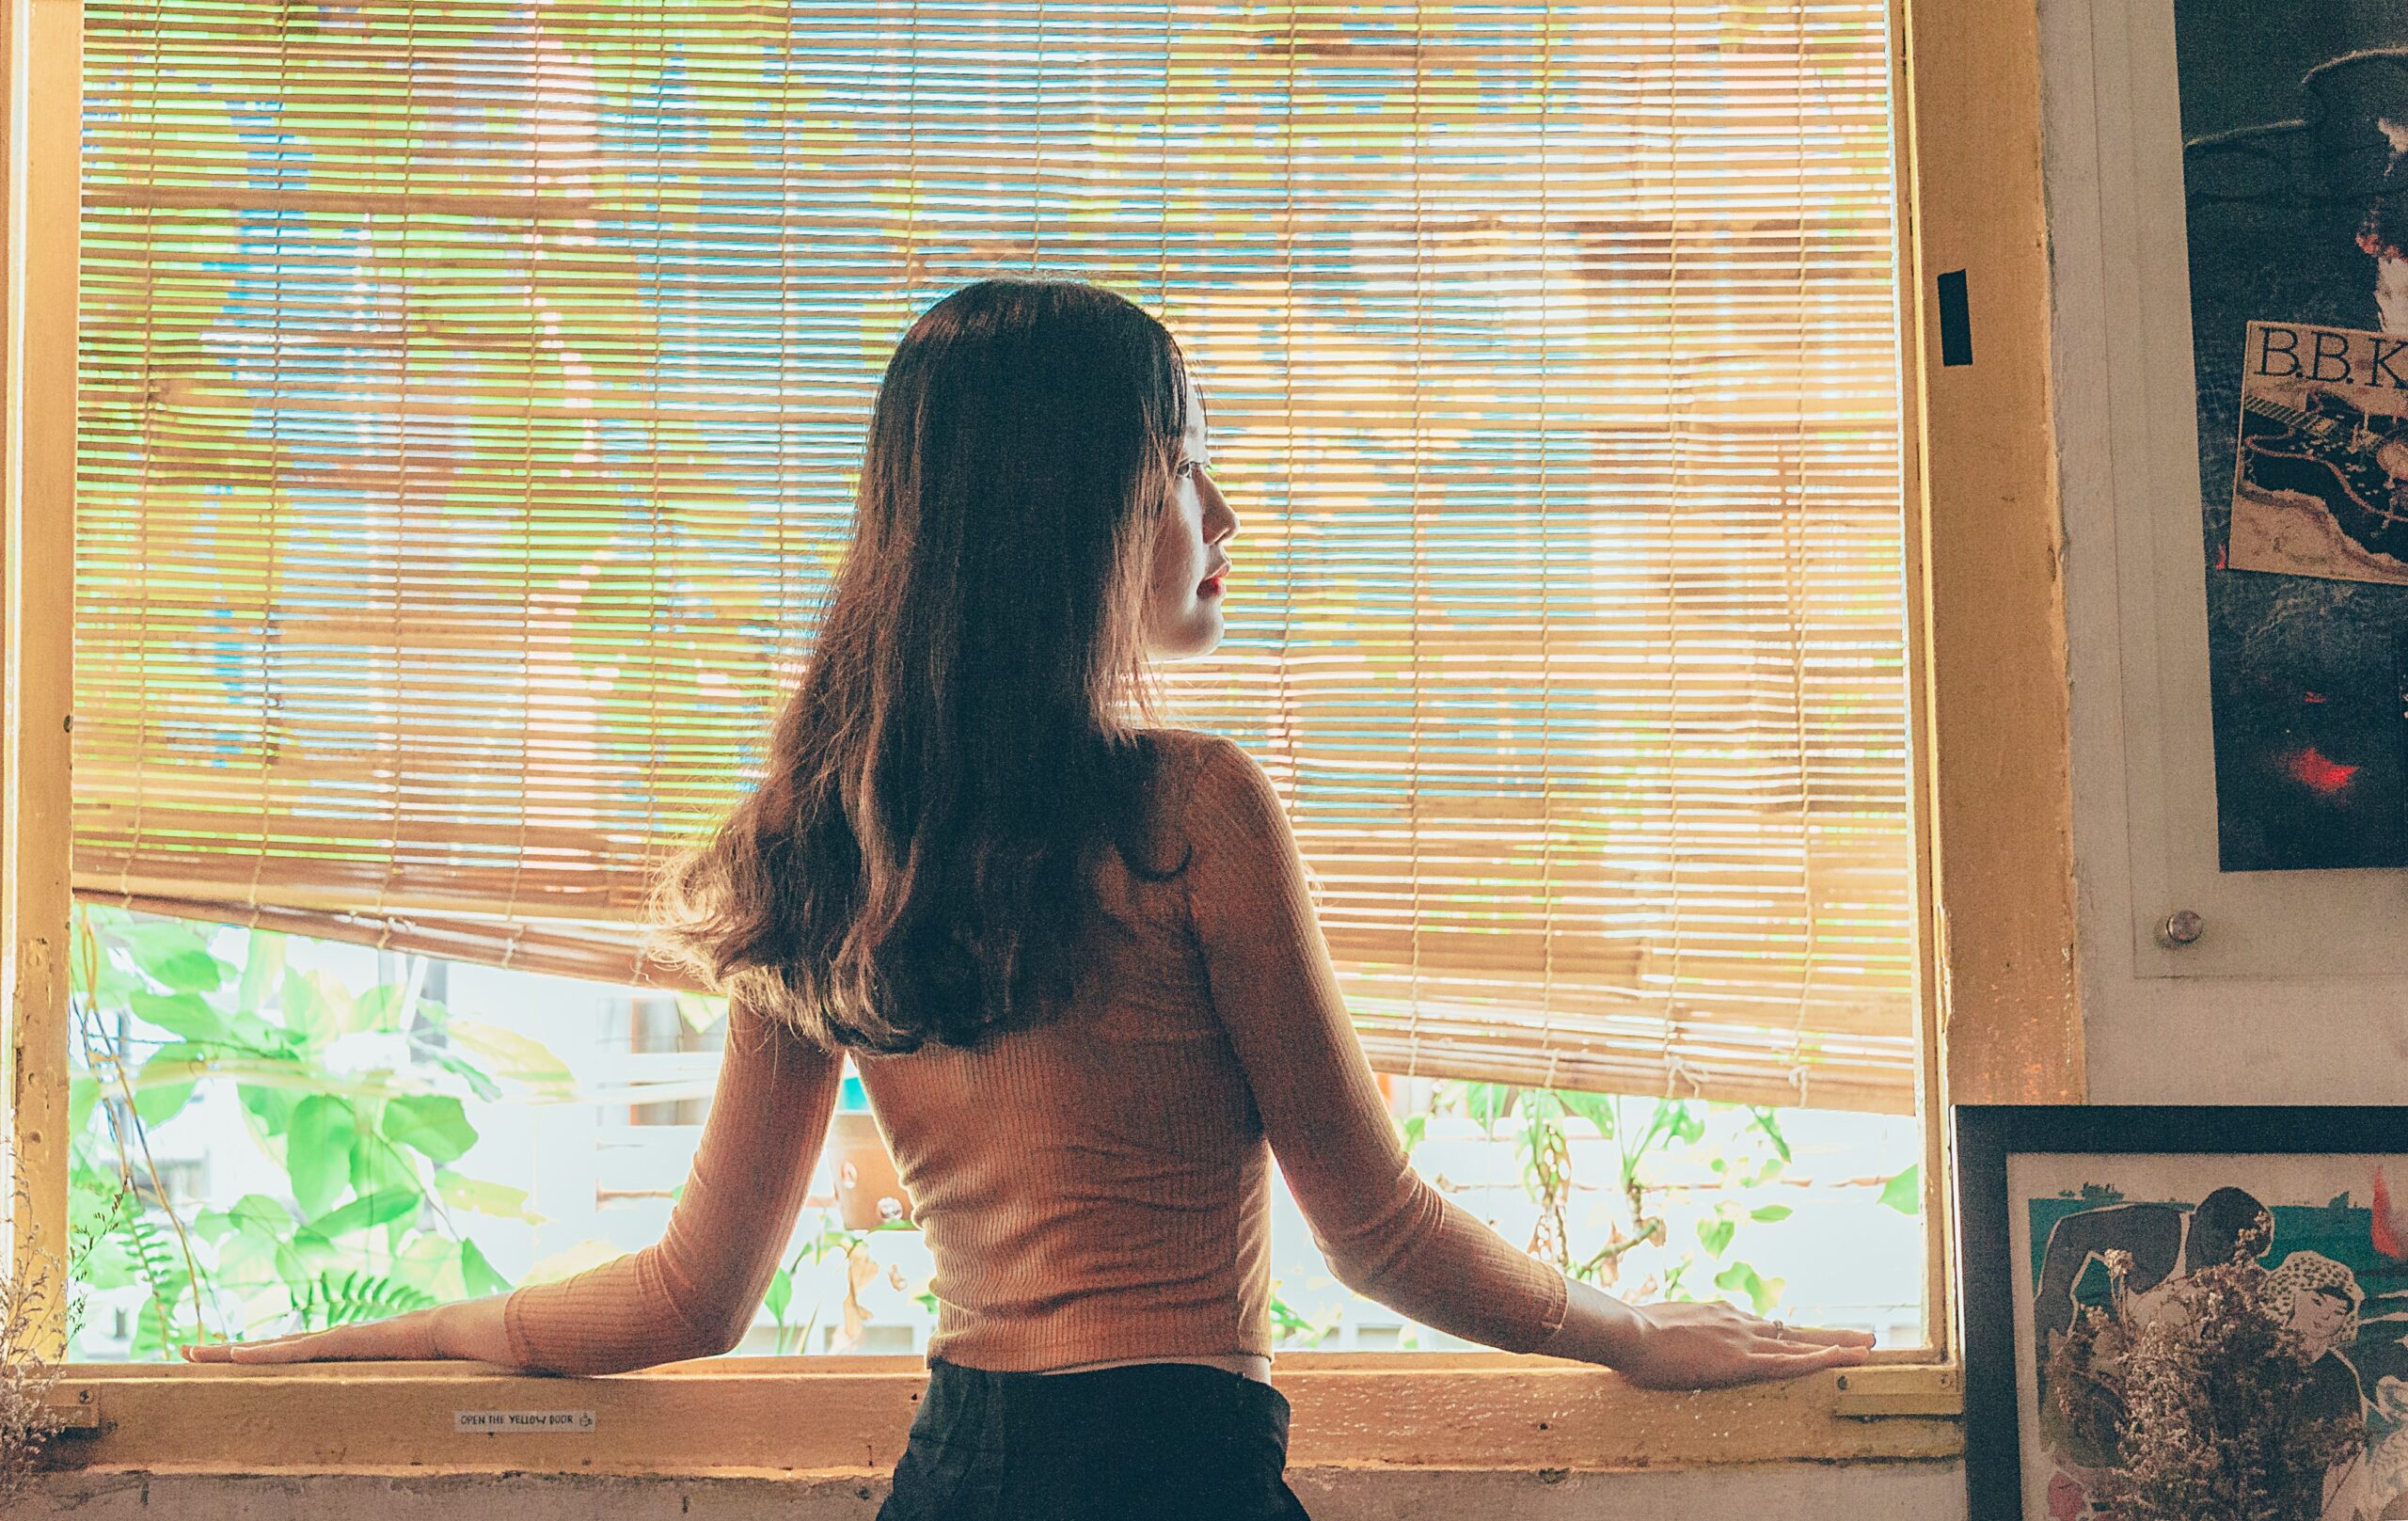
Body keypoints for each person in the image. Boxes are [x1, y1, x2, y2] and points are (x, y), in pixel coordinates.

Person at [181, 277, 1873, 1518]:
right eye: (1185, 464)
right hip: (1173, 1469)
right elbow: (1376, 1227)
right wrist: (1633, 1330)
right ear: (1083, 505)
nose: (1223, 514)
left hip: (958, 1473)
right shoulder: (1190, 806)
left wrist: (360, 1342)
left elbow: (692, 1294)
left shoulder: (820, 840)